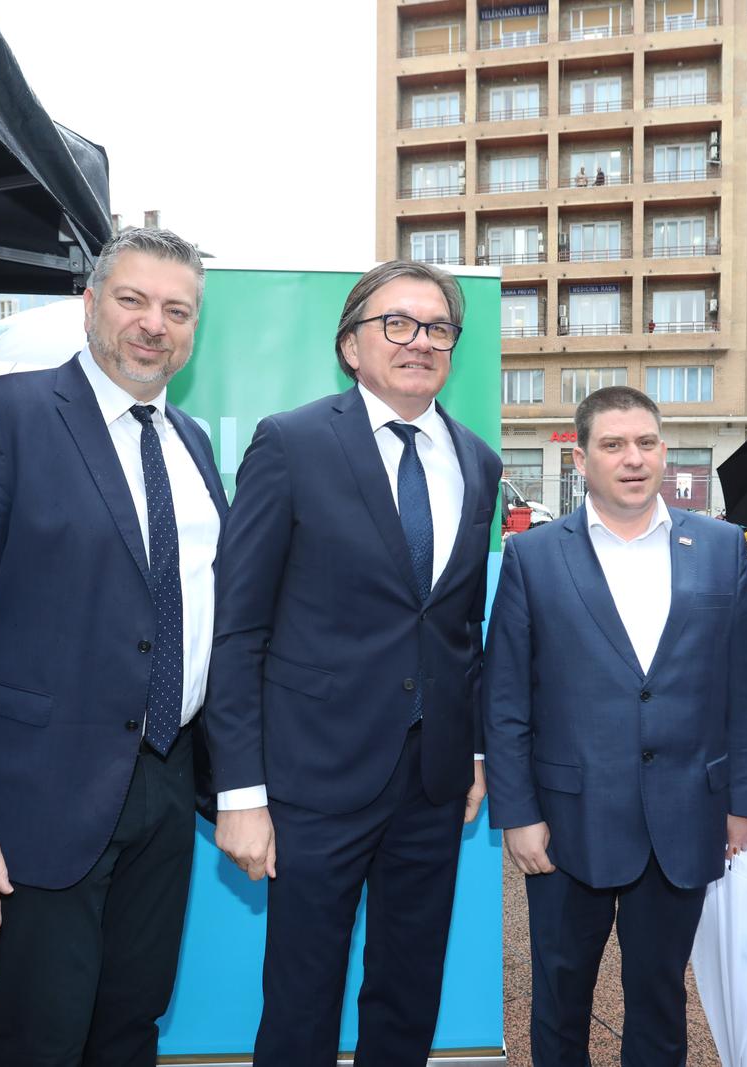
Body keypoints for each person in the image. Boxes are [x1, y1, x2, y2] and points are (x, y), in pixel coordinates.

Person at [0, 228, 228, 1066]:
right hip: (42, 793)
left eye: (177, 309)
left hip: (167, 778)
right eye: (133, 299)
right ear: (90, 303)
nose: (154, 324)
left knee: (132, 1020)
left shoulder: (192, 442)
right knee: (41, 1035)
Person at [206, 260, 502, 1066]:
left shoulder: (478, 461)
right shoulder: (291, 443)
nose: (420, 341)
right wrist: (241, 791)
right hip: (313, 778)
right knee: (301, 1001)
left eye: (438, 327)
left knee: (409, 993)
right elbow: (239, 628)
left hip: (434, 781)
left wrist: (474, 750)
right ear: (350, 345)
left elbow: (461, 625)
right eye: (396, 323)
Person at [484, 386, 747, 1066]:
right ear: (581, 459)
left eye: (645, 442)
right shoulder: (533, 556)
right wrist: (518, 814)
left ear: (664, 452)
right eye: (613, 445)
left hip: (685, 815)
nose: (632, 458)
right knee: (560, 995)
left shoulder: (720, 548)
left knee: (659, 997)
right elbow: (506, 698)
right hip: (567, 820)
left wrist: (745, 802)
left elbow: (745, 687)